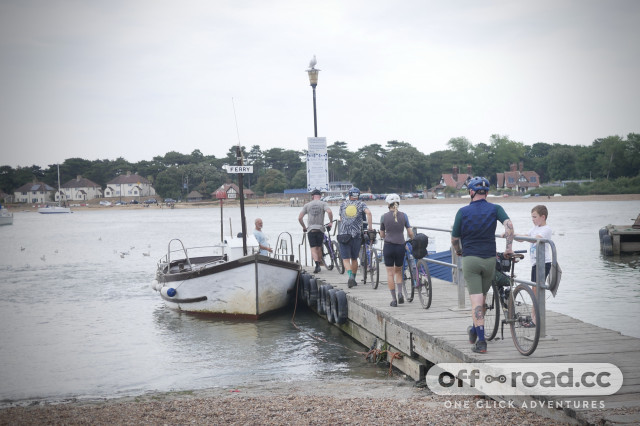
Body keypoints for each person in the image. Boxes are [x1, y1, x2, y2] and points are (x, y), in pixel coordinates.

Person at [451, 177, 514, 354]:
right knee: (482, 298)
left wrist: (458, 250)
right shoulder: (496, 209)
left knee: (477, 301)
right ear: (486, 192)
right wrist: (508, 248)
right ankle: (474, 329)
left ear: (471, 192)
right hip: (489, 260)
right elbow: (509, 225)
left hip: (470, 259)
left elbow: (455, 239)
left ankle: (481, 342)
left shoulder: (462, 212)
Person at [516, 205, 552, 325]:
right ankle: (533, 318)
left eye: (534, 217)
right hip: (535, 264)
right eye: (532, 217)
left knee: (537, 291)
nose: (533, 219)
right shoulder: (535, 227)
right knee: (534, 289)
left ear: (543, 217)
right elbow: (525, 237)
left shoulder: (546, 229)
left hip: (544, 263)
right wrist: (512, 235)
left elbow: (534, 239)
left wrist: (525, 238)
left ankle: (536, 320)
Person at [379, 194, 414, 307]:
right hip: (400, 246)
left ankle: (394, 300)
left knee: (390, 274)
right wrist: (412, 240)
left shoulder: (383, 217)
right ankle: (400, 293)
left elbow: (382, 234)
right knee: (398, 271)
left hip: (388, 247)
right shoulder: (404, 216)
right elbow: (410, 233)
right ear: (398, 203)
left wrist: (386, 237)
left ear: (388, 204)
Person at [337, 187, 373, 288]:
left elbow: (340, 218)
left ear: (349, 195)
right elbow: (369, 213)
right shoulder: (361, 204)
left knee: (345, 259)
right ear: (358, 196)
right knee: (354, 258)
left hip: (344, 235)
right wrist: (370, 228)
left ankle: (350, 277)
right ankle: (353, 278)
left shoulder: (343, 204)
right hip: (356, 235)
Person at [298, 189, 334, 273]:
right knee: (319, 247)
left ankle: (317, 265)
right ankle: (320, 262)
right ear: (320, 196)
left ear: (312, 196)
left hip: (311, 229)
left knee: (313, 248)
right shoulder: (323, 204)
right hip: (320, 229)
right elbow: (329, 212)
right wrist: (331, 222)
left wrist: (304, 227)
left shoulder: (307, 205)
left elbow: (300, 218)